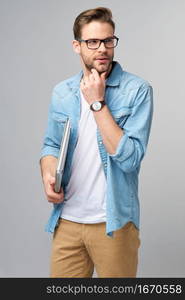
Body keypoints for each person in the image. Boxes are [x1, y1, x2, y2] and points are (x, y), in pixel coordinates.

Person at [39, 7, 153, 278]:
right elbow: (51, 145)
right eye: (93, 42)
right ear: (76, 46)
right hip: (66, 221)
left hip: (113, 223)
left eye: (108, 40)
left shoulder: (137, 91)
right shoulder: (63, 92)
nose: (102, 49)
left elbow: (130, 158)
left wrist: (97, 103)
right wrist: (47, 170)